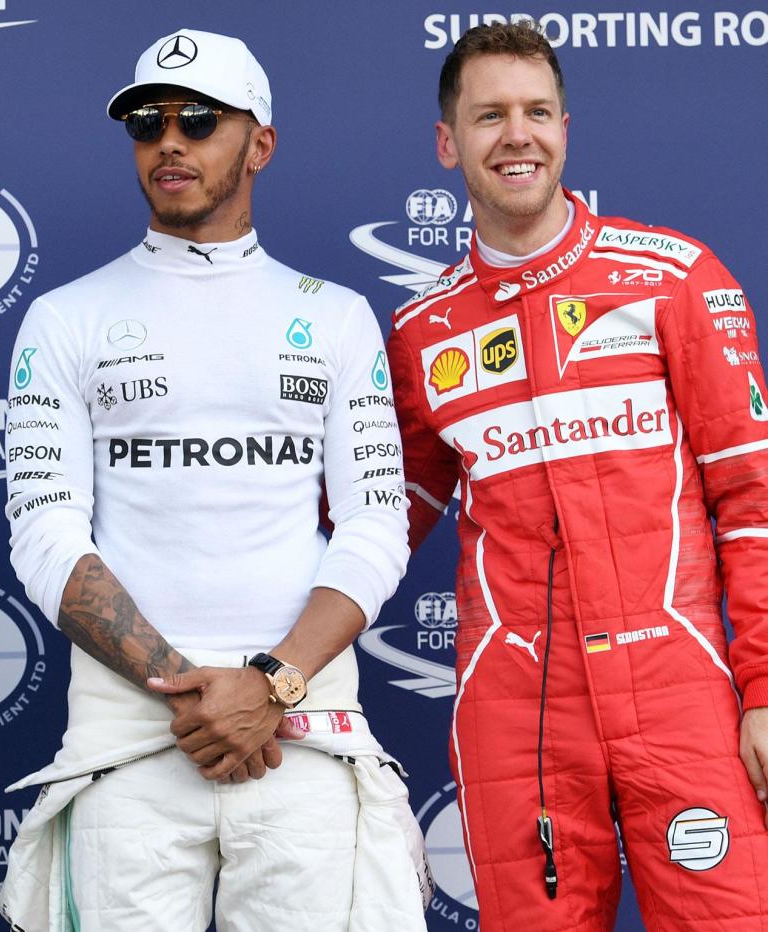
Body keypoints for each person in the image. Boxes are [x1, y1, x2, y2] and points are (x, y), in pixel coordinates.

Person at [0, 27, 430, 932]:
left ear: (259, 144)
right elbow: (44, 532)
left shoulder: (338, 319)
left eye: (199, 119)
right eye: (146, 123)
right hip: (129, 747)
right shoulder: (63, 317)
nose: (170, 141)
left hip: (303, 741)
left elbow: (376, 525)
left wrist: (270, 688)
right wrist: (193, 694)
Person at [388, 20, 768, 932]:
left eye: (536, 112)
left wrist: (766, 688)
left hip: (682, 693)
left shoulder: (670, 277)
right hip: (516, 709)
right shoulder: (420, 332)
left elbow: (752, 500)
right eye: (489, 116)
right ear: (449, 143)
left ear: (566, 130)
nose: (516, 135)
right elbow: (379, 520)